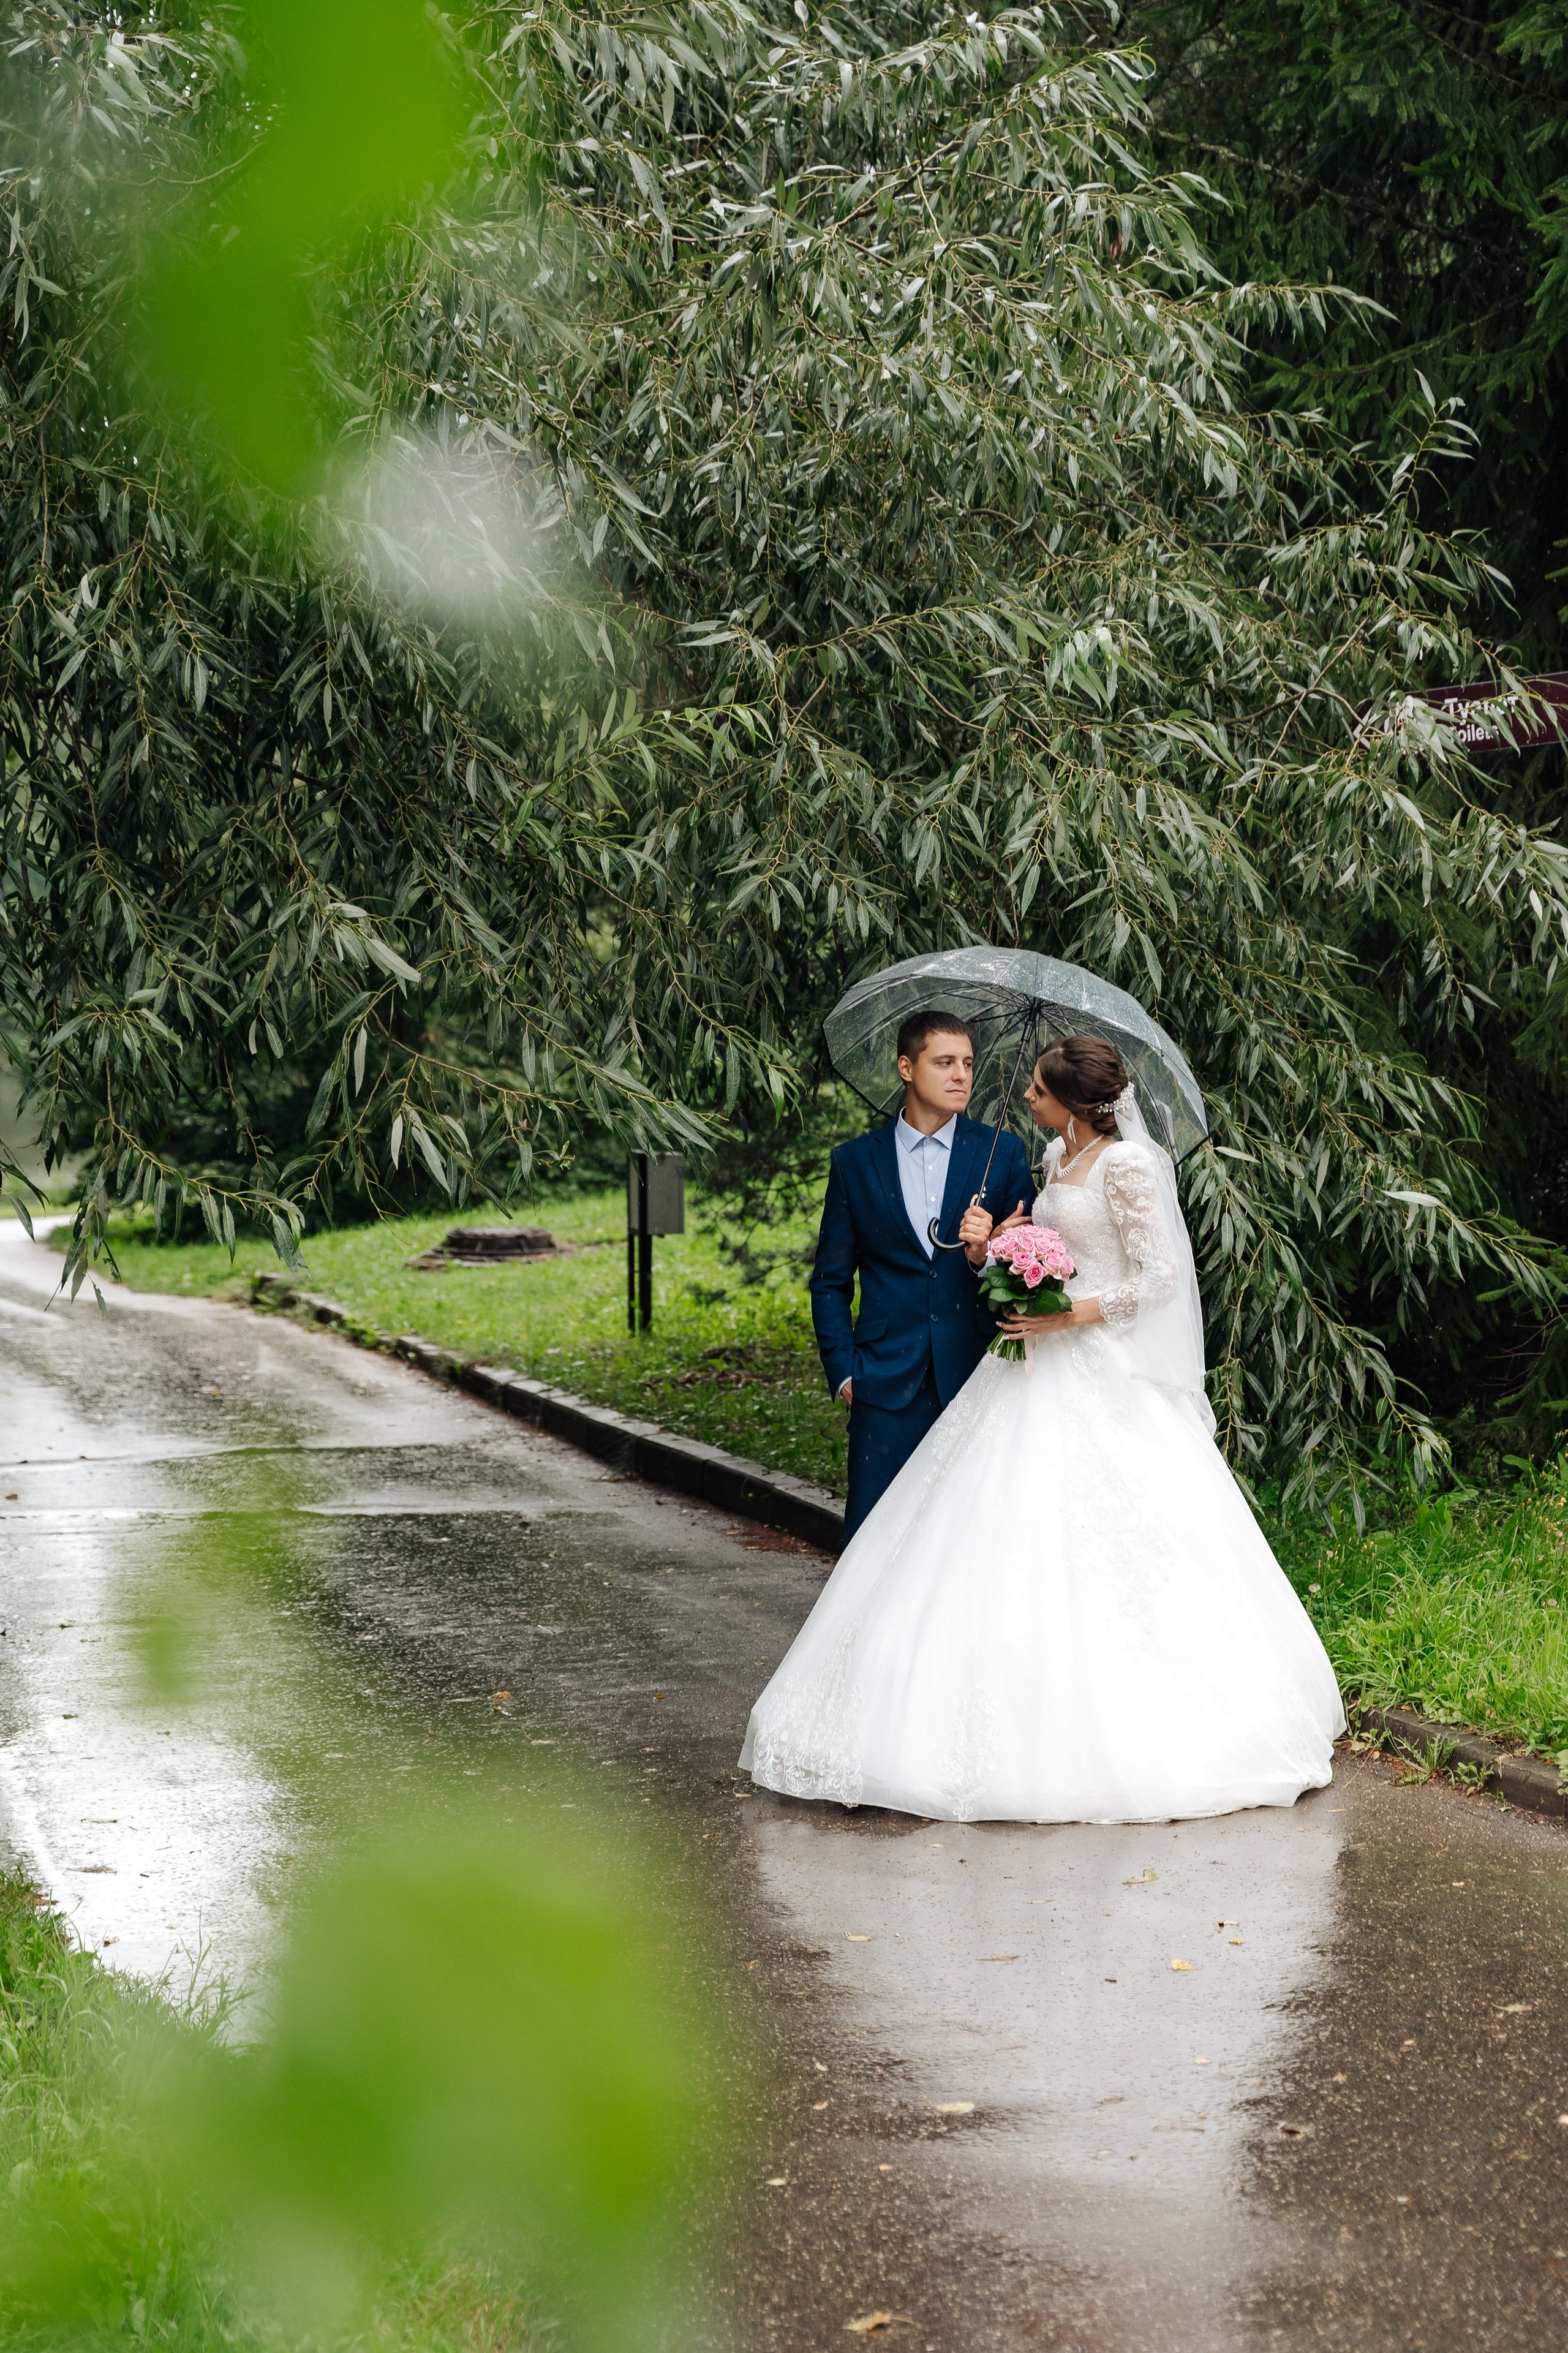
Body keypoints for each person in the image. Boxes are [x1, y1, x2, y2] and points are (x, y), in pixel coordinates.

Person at [742, 1034, 1344, 1824]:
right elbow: (1054, 1252)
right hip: (1027, 1367)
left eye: (1035, 1088)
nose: (1021, 1095)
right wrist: (999, 1251)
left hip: (1092, 1364)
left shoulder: (1126, 1165)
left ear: (1070, 1097)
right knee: (986, 1532)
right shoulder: (1053, 1160)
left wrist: (1066, 1312)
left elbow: (1157, 1276)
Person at [807, 1010, 1035, 1543]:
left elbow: (1034, 1276)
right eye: (945, 1062)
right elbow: (830, 1281)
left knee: (971, 1539)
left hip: (979, 1375)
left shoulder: (1001, 1153)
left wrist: (985, 1253)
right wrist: (844, 1372)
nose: (961, 1075)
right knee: (874, 1538)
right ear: (907, 1068)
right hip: (883, 1384)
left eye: (968, 1064)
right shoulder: (855, 1162)